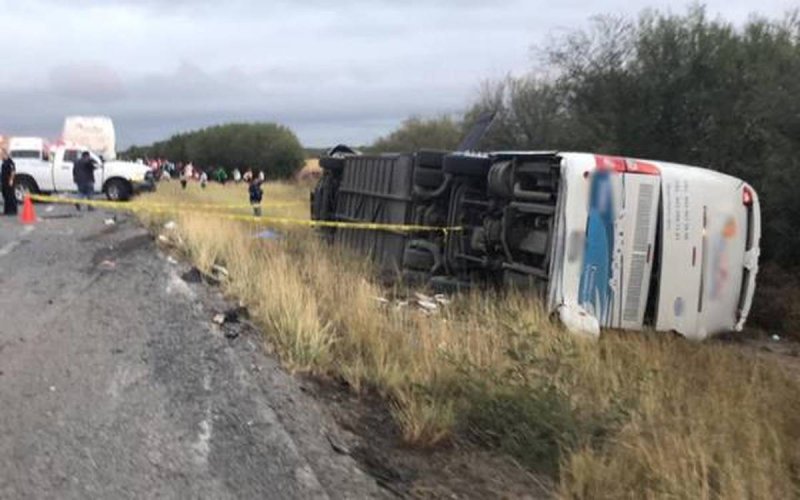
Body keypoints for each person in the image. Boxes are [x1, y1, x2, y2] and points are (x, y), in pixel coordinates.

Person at [1, 150, 17, 216]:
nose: (1, 156)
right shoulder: (4, 162)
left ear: (6, 155)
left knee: (10, 196)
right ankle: (7, 210)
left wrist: (11, 180)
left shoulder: (10, 162)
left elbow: (13, 171)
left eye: (2, 155)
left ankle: (12, 211)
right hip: (4, 182)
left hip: (9, 182)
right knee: (5, 196)